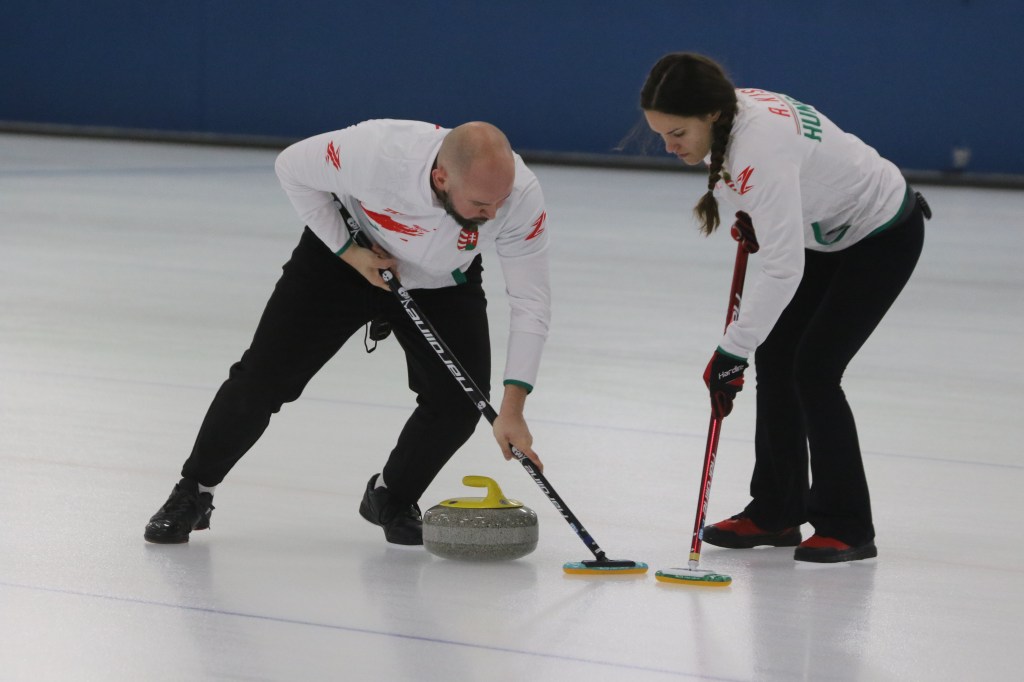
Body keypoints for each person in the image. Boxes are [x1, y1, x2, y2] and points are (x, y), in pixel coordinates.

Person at [144, 120, 551, 546]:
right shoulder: (378, 153)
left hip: (441, 281)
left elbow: (531, 302)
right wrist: (349, 252)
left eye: (501, 201)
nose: (494, 214)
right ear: (441, 178)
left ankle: (391, 496)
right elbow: (291, 167)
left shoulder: (521, 197)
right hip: (345, 258)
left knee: (459, 405)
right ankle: (194, 491)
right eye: (482, 204)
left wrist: (513, 409)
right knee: (262, 380)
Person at [640, 53, 927, 563]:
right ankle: (777, 510)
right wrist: (751, 215)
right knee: (777, 356)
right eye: (661, 134)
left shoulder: (760, 146)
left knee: (815, 369)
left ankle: (848, 524)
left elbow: (781, 269)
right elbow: (748, 192)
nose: (670, 146)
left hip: (882, 233)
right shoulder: (725, 120)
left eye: (677, 133)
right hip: (825, 232)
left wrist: (731, 352)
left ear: (710, 114)